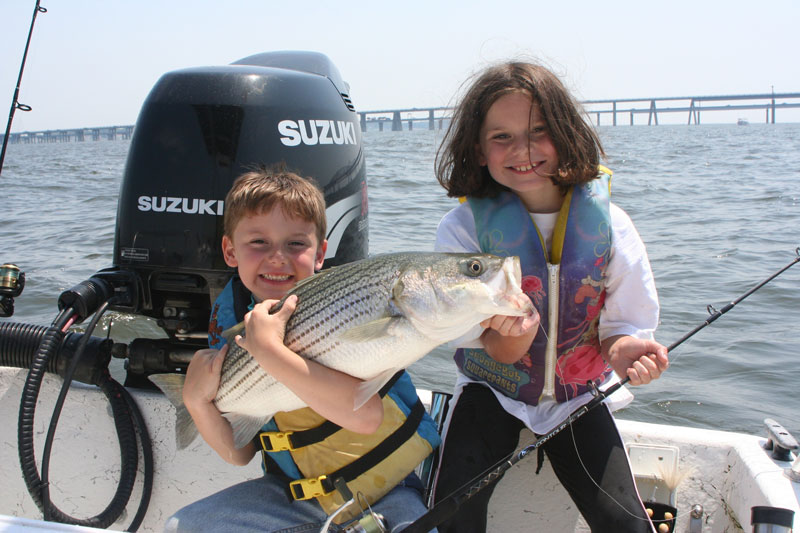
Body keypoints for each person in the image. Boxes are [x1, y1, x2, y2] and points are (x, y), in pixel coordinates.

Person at [430, 62, 670, 533]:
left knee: (628, 526)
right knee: (450, 517)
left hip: (578, 397)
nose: (523, 150)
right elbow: (484, 342)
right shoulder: (461, 231)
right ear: (478, 150)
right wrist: (512, 339)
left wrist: (629, 353)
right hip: (490, 390)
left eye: (539, 131)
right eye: (501, 137)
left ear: (566, 132)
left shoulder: (613, 226)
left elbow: (622, 329)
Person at [165, 168, 441, 532]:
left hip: (387, 493)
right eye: (258, 243)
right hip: (291, 498)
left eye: (296, 244)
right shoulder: (232, 322)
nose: (278, 257)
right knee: (182, 527)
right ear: (230, 251)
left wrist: (269, 353)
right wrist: (196, 403)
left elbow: (366, 417)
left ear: (320, 252)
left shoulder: (345, 305)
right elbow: (239, 453)